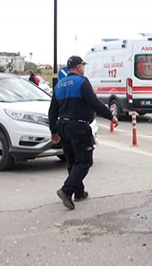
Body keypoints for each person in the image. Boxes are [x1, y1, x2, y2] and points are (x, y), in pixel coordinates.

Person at [48, 55, 119, 210]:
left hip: (63, 126)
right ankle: (67, 190)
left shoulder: (59, 85)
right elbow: (94, 102)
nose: (83, 68)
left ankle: (79, 192)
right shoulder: (82, 82)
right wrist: (110, 116)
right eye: (82, 66)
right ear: (78, 67)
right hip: (79, 127)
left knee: (73, 161)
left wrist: (53, 130)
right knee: (85, 161)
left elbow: (52, 111)